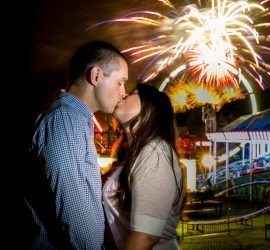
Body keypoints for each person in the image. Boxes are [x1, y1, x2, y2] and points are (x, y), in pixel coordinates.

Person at [23, 40, 129, 249]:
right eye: (120, 82)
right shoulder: (64, 121)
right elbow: (75, 208)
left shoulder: (75, 121)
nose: (123, 92)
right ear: (96, 75)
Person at [102, 82, 185, 250]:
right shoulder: (134, 154)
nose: (124, 94)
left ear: (150, 107)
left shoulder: (156, 153)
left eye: (133, 93)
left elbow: (146, 237)